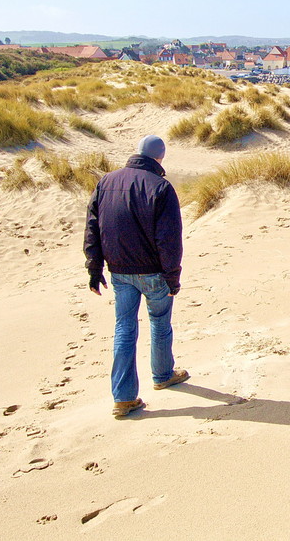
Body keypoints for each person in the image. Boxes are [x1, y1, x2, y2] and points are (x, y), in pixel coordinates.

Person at [83, 135, 189, 418]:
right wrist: (172, 277)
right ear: (160, 158)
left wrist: (94, 269)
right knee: (159, 322)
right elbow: (169, 239)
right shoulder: (161, 187)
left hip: (119, 270)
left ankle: (124, 397)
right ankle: (163, 375)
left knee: (124, 329)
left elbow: (93, 227)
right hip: (153, 272)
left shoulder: (106, 181)